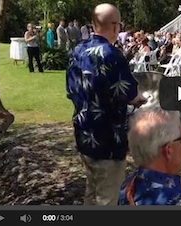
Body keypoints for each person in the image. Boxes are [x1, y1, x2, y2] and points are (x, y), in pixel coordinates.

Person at [66, 3, 147, 205]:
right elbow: (130, 93)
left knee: (92, 192)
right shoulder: (111, 55)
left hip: (84, 133)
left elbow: (71, 89)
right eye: (119, 24)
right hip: (108, 140)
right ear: (114, 26)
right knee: (106, 200)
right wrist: (140, 98)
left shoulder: (77, 50)